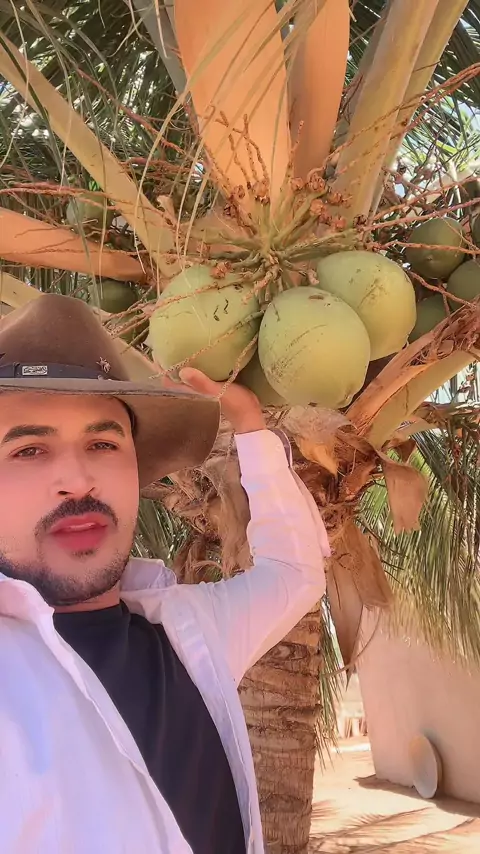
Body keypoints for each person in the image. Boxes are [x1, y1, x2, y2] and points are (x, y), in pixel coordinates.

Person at [0, 293, 329, 854]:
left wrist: (251, 427)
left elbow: (295, 572)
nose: (78, 480)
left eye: (103, 443)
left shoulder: (188, 631)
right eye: (29, 450)